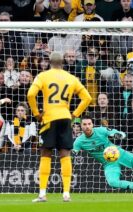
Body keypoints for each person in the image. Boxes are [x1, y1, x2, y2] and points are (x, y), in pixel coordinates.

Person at [27, 51, 92, 202]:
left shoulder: (43, 76)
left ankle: (42, 194)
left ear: (49, 62)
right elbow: (87, 98)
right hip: (65, 117)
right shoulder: (71, 78)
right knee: (65, 155)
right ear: (63, 62)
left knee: (45, 154)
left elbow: (30, 94)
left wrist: (37, 113)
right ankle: (66, 193)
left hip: (49, 118)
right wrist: (75, 114)